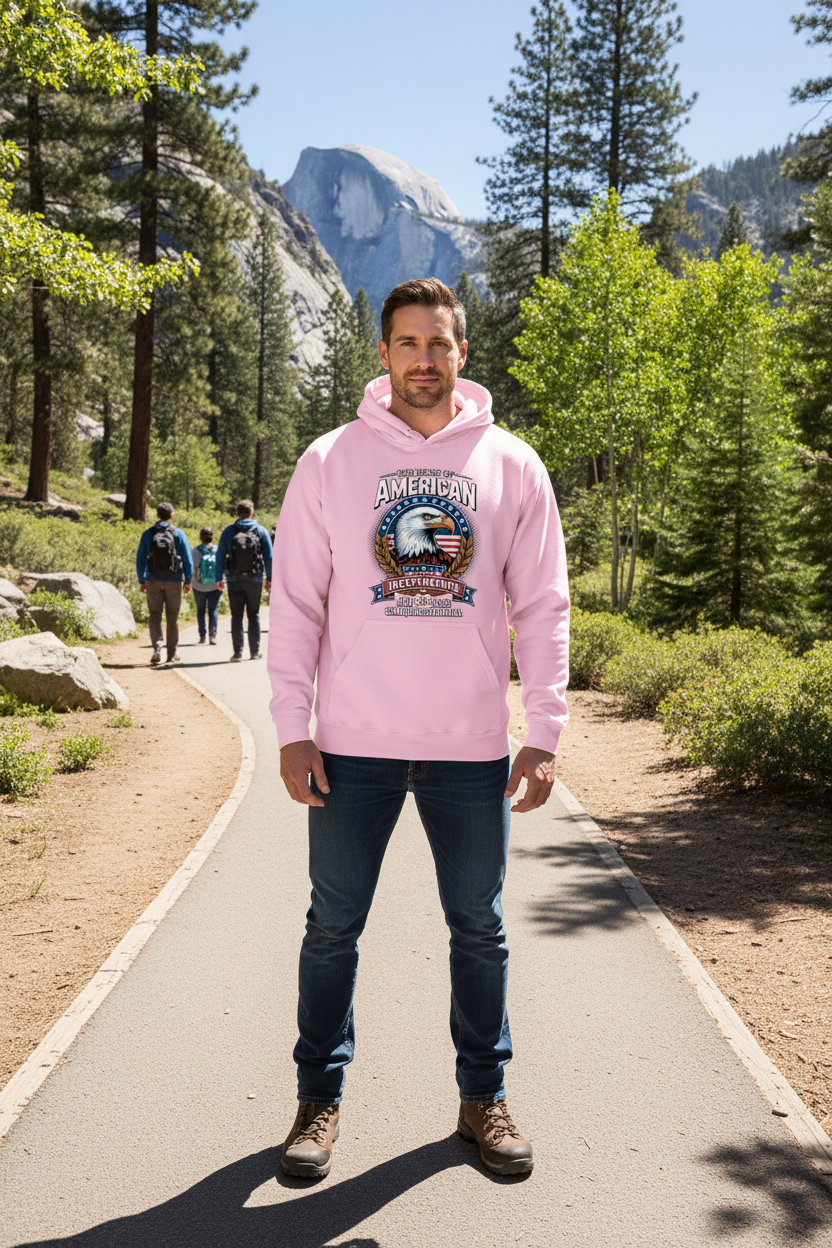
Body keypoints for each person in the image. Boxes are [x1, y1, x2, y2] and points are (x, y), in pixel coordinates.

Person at [268, 278, 569, 1180]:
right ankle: (317, 1100)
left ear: (462, 353)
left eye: (439, 343)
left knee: (478, 927)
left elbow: (544, 604)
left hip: (470, 747)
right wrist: (293, 726)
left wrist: (544, 726)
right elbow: (295, 607)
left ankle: (484, 1098)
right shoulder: (329, 460)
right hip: (352, 744)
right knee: (333, 927)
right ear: (385, 354)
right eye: (407, 343)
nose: (424, 359)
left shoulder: (512, 463)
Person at [136, 501, 194, 665]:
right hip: (174, 580)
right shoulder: (178, 534)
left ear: (157, 515)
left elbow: (140, 559)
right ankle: (172, 653)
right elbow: (188, 560)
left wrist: (143, 580)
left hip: (153, 580)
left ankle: (157, 649)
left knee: (155, 615)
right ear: (171, 515)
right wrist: (188, 580)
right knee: (172, 617)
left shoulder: (148, 533)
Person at [216, 500, 273, 663]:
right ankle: (254, 652)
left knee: (236, 616)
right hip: (255, 579)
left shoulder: (229, 532)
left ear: (237, 513)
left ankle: (237, 653)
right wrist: (270, 578)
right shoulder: (261, 531)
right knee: (253, 614)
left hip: (234, 579)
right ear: (251, 512)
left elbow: (220, 555)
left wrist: (218, 578)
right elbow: (269, 557)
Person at [191, 526, 222, 645]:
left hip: (199, 585)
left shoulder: (195, 551)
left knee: (200, 610)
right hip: (215, 585)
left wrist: (190, 582)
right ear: (212, 537)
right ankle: (212, 636)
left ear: (200, 537)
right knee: (213, 609)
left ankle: (202, 636)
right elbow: (222, 568)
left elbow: (191, 570)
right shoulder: (218, 550)